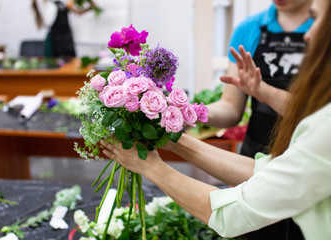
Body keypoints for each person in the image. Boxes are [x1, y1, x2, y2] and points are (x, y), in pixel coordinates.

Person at [100, 0, 331, 239]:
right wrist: (176, 131)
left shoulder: (322, 132)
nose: (308, 36)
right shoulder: (250, 28)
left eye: (318, 21)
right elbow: (264, 170)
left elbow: (234, 213)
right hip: (264, 148)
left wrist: (150, 166)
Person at [206, 0, 313, 158]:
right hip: (255, 158)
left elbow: (317, 112)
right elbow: (231, 107)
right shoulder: (248, 28)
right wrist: (192, 112)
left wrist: (265, 91)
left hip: (309, 157)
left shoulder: (323, 30)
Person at [32, 0, 99, 57]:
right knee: (55, 63)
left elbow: (79, 13)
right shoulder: (47, 5)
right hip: (55, 39)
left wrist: (90, 7)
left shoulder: (63, 3)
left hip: (67, 38)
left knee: (70, 61)